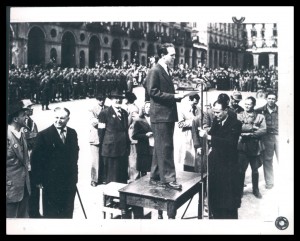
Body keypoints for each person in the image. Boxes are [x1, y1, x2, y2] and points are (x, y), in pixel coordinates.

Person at [145, 43, 185, 190]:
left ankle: (155, 176)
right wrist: (174, 97)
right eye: (172, 55)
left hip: (165, 114)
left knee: (160, 147)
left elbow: (148, 87)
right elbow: (152, 91)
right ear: (163, 55)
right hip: (161, 115)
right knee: (166, 147)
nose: (175, 57)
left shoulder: (165, 69)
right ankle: (168, 179)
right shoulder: (155, 70)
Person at [31, 107, 79, 218]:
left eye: (62, 118)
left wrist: (74, 178)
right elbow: (36, 159)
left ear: (68, 119)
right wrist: (38, 180)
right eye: (56, 117)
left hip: (69, 182)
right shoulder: (43, 135)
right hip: (51, 183)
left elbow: (75, 157)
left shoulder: (72, 133)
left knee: (67, 213)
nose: (58, 120)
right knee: (52, 215)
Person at [198, 98, 242, 219]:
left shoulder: (236, 124)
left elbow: (230, 143)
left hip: (228, 167)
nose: (215, 115)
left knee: (228, 202)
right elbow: (211, 134)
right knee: (215, 198)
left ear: (226, 110)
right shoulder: (216, 122)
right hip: (215, 165)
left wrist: (209, 137)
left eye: (218, 112)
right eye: (214, 112)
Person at [98, 88, 130, 184]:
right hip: (111, 150)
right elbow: (101, 133)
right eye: (115, 98)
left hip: (123, 150)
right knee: (112, 178)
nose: (118, 100)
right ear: (111, 99)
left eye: (120, 98)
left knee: (122, 177)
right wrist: (104, 147)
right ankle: (109, 199)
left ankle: (121, 198)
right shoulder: (104, 113)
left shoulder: (124, 112)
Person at [237, 97, 266, 199]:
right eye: (246, 104)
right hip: (242, 147)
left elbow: (263, 130)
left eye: (249, 104)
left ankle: (256, 190)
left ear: (254, 105)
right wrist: (252, 128)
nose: (247, 106)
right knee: (241, 170)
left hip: (255, 147)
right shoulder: (239, 116)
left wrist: (250, 134)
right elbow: (237, 129)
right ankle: (239, 190)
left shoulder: (260, 116)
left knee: (255, 170)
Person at [7, 101, 31, 218]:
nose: (27, 117)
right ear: (15, 119)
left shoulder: (21, 133)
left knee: (22, 222)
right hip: (9, 190)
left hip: (24, 187)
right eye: (23, 115)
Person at [20, 99, 41, 218]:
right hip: (24, 162)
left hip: (33, 161)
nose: (31, 109)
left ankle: (34, 212)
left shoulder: (33, 123)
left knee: (34, 188)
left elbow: (36, 139)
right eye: (29, 107)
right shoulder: (19, 125)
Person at [256, 92, 278, 189]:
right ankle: (269, 182)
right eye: (269, 98)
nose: (271, 100)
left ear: (276, 100)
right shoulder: (259, 111)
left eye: (273, 98)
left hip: (279, 136)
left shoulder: (282, 110)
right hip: (267, 137)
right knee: (268, 160)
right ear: (266, 99)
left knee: (284, 159)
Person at [178, 93, 202, 172]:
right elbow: (180, 124)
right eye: (194, 102)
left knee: (197, 158)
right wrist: (192, 122)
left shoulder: (199, 110)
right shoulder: (183, 110)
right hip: (187, 135)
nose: (195, 104)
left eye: (197, 103)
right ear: (189, 100)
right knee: (188, 158)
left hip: (197, 135)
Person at [89, 94, 106, 187]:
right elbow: (94, 122)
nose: (102, 101)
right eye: (100, 99)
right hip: (95, 137)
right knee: (95, 160)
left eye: (103, 99)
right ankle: (94, 180)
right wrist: (105, 123)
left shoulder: (107, 108)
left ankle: (103, 177)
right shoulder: (92, 109)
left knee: (104, 158)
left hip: (105, 137)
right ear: (96, 100)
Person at [132, 101, 153, 177]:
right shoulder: (139, 121)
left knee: (152, 168)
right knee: (143, 169)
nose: (148, 109)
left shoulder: (155, 120)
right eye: (147, 107)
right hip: (143, 148)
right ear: (143, 109)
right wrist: (145, 135)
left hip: (153, 147)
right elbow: (134, 135)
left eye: (150, 107)